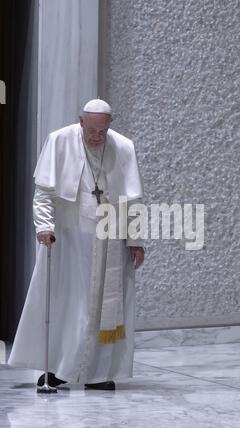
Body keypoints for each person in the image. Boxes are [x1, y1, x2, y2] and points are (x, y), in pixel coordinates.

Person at [8, 99, 145, 390]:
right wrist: (44, 226)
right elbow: (44, 192)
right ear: (80, 121)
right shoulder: (59, 141)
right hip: (71, 239)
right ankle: (61, 369)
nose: (96, 137)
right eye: (91, 130)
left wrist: (135, 240)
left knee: (105, 306)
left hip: (110, 240)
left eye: (102, 131)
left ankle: (97, 373)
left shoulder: (123, 146)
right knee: (72, 306)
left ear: (110, 124)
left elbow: (132, 200)